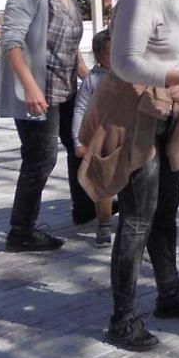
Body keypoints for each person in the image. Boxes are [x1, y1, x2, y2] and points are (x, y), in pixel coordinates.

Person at [79, 0, 179, 352]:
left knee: (164, 210)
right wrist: (176, 72)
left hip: (167, 116)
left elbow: (165, 54)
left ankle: (170, 293)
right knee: (137, 217)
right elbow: (124, 62)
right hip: (139, 118)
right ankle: (123, 317)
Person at [0, 0, 95, 252]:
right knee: (41, 159)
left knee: (81, 142)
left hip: (66, 86)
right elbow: (11, 43)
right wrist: (30, 86)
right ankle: (20, 231)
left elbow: (68, 40)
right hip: (39, 90)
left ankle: (85, 206)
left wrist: (84, 70)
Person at [73, 29, 115, 247]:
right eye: (110, 53)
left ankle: (133, 219)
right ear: (99, 56)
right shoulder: (93, 80)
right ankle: (104, 224)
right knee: (103, 183)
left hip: (127, 137)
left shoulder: (128, 75)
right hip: (101, 139)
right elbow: (80, 109)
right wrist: (78, 141)